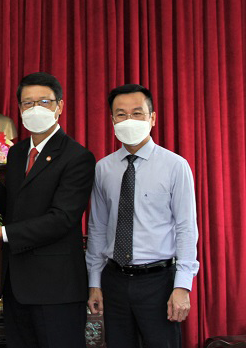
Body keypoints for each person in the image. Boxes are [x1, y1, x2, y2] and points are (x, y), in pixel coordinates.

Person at [0, 72, 96, 348]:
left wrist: (3, 233)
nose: (35, 109)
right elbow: (17, 209)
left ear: (60, 106)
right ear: (19, 109)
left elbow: (61, 219)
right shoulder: (16, 154)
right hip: (17, 286)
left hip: (56, 289)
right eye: (28, 103)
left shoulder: (78, 157)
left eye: (44, 102)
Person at [85, 84, 199, 348]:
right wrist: (95, 283)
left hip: (158, 282)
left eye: (137, 113)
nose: (129, 120)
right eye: (121, 114)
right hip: (114, 281)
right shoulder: (104, 168)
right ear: (112, 120)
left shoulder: (175, 166)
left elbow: (186, 229)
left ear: (153, 118)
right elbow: (98, 229)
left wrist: (182, 286)